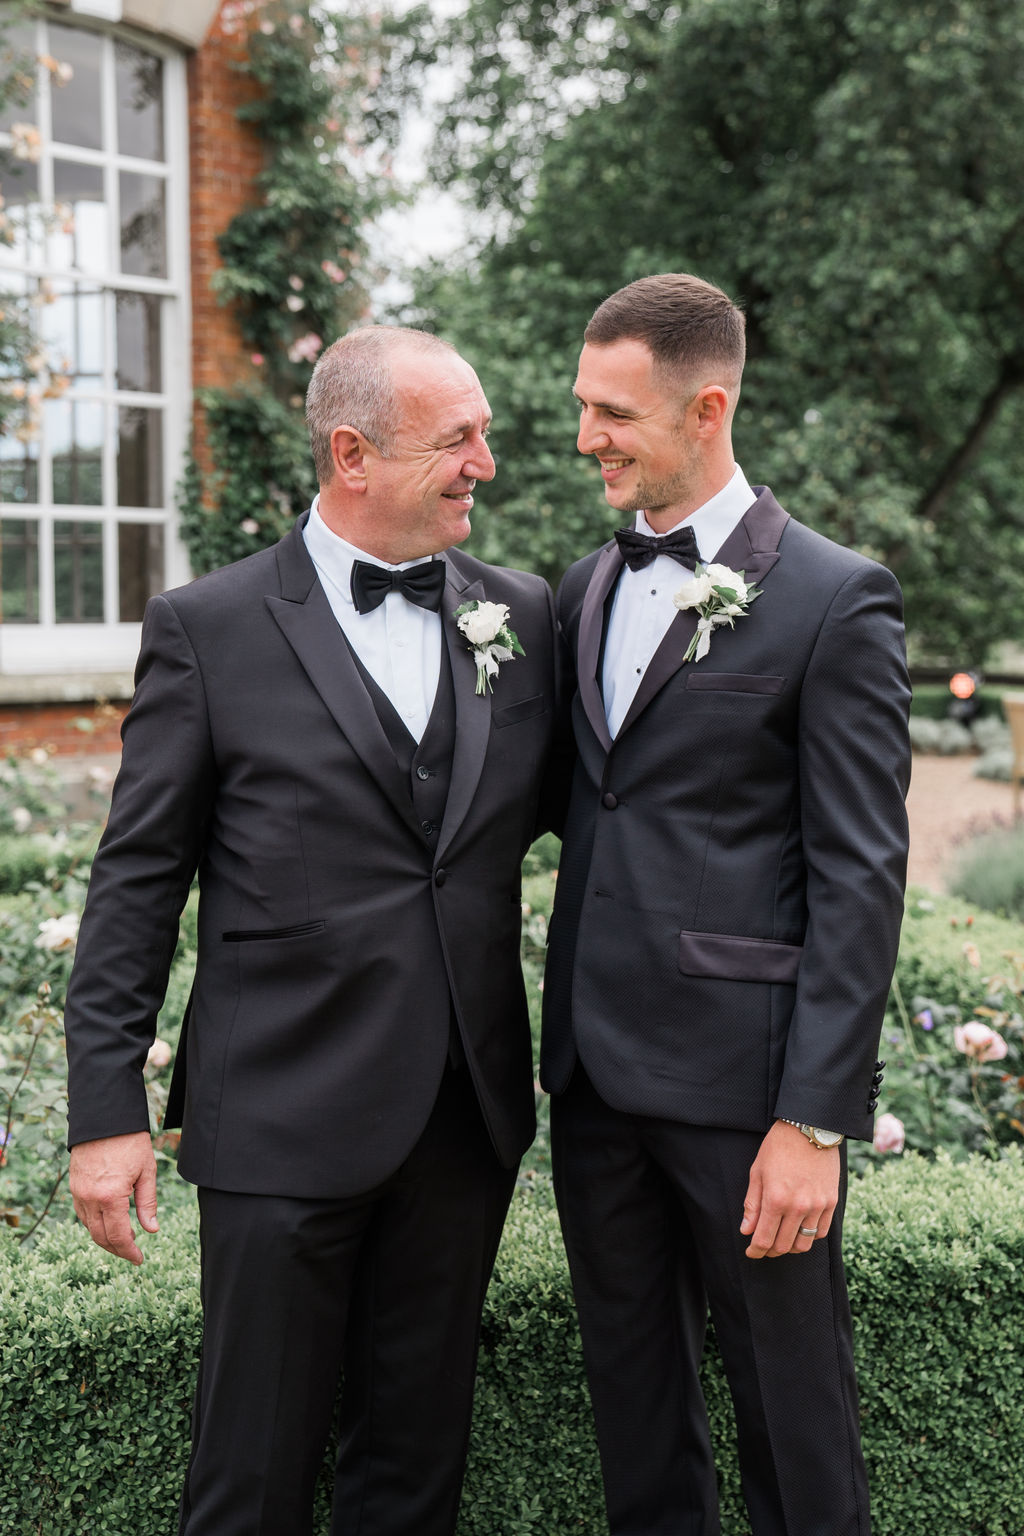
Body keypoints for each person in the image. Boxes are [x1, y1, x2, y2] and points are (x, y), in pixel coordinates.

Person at [65, 325, 561, 1536]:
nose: (484, 464)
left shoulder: (523, 614)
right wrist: (106, 1116)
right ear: (352, 453)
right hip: (278, 1117)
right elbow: (138, 881)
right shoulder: (210, 627)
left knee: (414, 1469)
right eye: (458, 440)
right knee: (252, 1478)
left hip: (462, 1121)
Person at [542, 273, 910, 1535]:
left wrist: (814, 1119)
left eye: (611, 413)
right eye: (583, 405)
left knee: (794, 1432)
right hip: (593, 1090)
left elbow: (862, 873)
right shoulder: (579, 589)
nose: (585, 435)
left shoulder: (832, 598)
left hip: (745, 1100)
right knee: (636, 1425)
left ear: (706, 408)